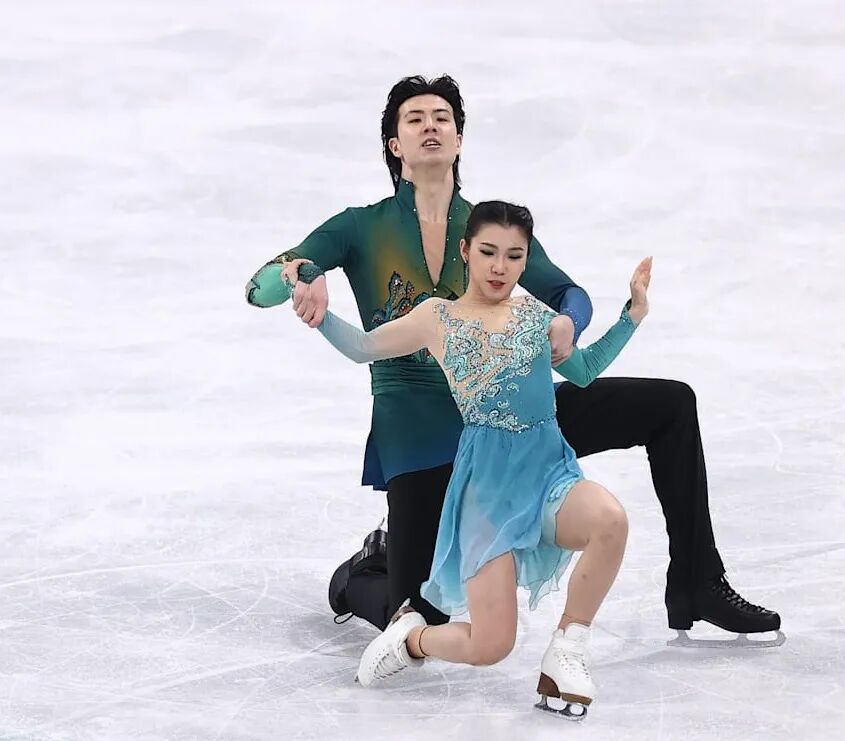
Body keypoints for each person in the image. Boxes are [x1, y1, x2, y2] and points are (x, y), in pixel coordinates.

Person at [244, 74, 779, 638]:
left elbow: (568, 292)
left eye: (442, 118)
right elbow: (260, 288)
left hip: (506, 414)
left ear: (459, 140)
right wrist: (304, 273)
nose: (430, 126)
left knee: (669, 404)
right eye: (415, 119)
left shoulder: (486, 227)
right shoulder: (360, 227)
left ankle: (698, 581)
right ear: (395, 145)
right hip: (420, 430)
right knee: (420, 618)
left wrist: (569, 322)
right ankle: (361, 573)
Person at [287, 200, 648, 718]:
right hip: (488, 495)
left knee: (609, 521)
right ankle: (410, 639)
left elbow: (584, 371)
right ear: (466, 250)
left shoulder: (534, 316)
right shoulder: (438, 317)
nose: (500, 267)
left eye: (514, 256)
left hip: (549, 474)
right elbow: (365, 347)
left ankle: (567, 649)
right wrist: (321, 318)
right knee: (490, 645)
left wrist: (631, 317)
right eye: (488, 252)